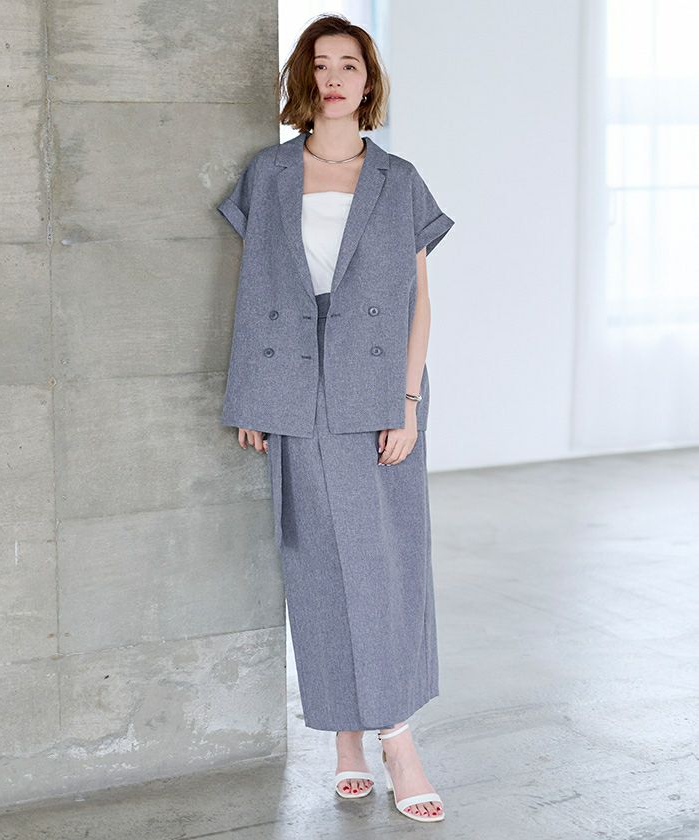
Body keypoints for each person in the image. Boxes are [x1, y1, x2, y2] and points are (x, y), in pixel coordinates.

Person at [217, 14, 454, 824]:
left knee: (386, 565)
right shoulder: (270, 173)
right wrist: (254, 397)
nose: (333, 78)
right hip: (293, 385)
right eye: (320, 65)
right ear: (303, 79)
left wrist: (408, 402)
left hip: (377, 388)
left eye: (348, 64)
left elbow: (420, 303)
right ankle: (347, 737)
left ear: (368, 80)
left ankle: (397, 738)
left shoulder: (399, 179)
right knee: (317, 565)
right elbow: (255, 290)